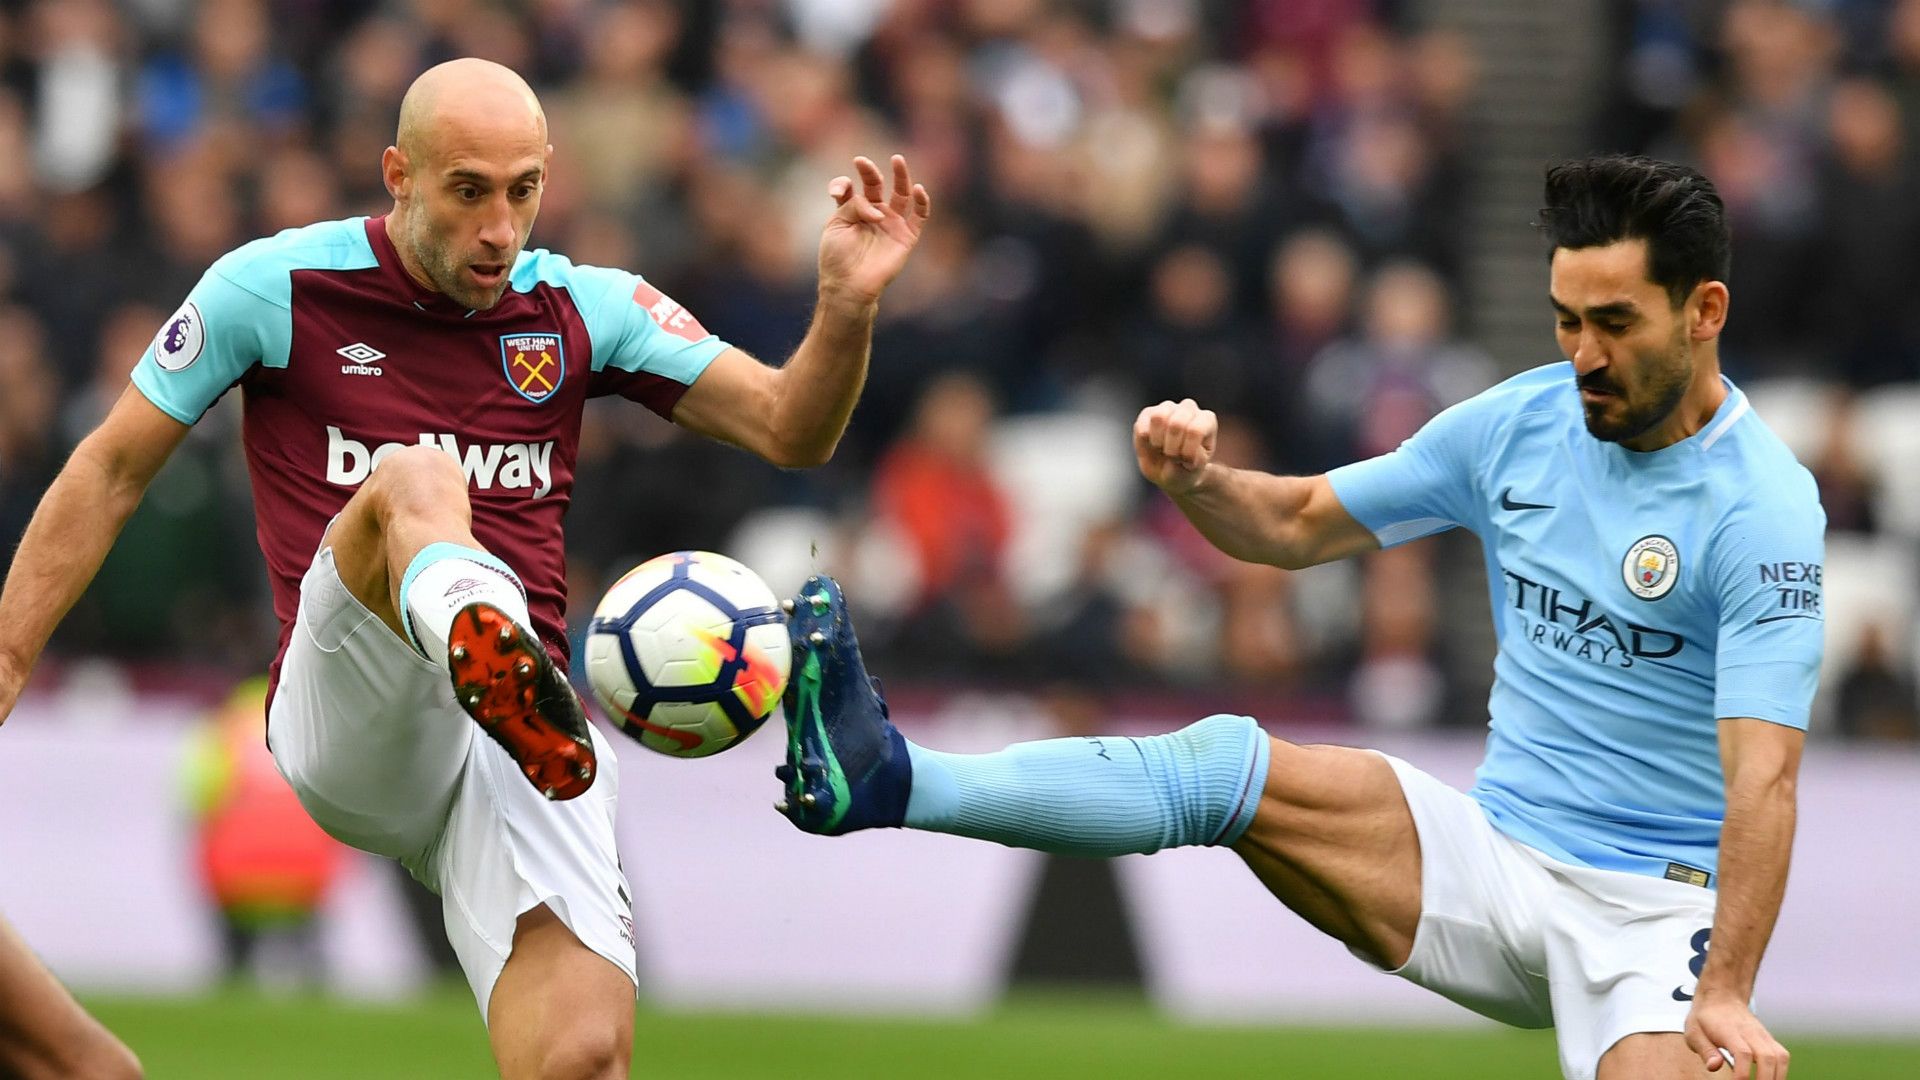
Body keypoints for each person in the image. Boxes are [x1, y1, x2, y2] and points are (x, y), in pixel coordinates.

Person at [775, 155, 1819, 1080]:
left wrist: (1726, 989)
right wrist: (1196, 482)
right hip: (1493, 856)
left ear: (1705, 310)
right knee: (1226, 767)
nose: (1583, 355)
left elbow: (1763, 778)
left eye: (1616, 323)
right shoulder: (1520, 424)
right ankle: (890, 776)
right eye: (1567, 320)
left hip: (1657, 911)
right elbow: (1301, 521)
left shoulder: (1761, 509)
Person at [0, 58, 928, 1079]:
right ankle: (486, 648)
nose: (500, 227)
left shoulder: (586, 309)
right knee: (416, 479)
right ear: (399, 173)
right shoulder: (275, 287)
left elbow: (791, 428)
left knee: (581, 1056)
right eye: (469, 191)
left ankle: (509, 681)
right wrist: (7, 655)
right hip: (352, 703)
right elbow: (112, 467)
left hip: (519, 753)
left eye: (523, 190)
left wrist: (845, 308)